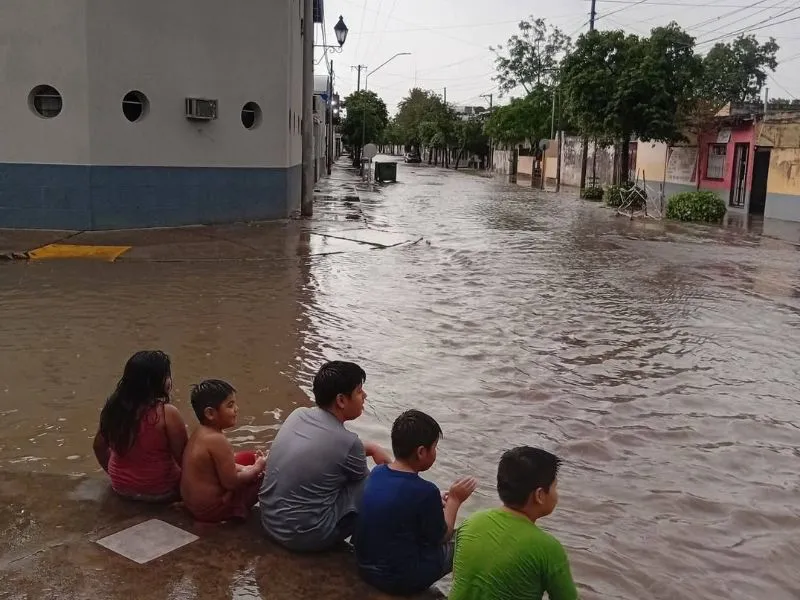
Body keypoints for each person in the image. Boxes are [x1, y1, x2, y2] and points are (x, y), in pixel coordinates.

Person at [259, 360, 392, 552]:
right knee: (378, 479)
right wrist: (395, 471)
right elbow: (367, 485)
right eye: (359, 391)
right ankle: (367, 546)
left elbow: (327, 448)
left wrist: (371, 448)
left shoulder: (299, 414)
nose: (365, 396)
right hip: (302, 537)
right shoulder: (348, 442)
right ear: (341, 400)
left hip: (269, 522)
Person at [355, 409, 478, 595]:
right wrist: (455, 500)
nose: (435, 452)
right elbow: (442, 536)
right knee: (466, 540)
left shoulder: (378, 472)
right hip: (397, 579)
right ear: (421, 452)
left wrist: (435, 501)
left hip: (364, 566)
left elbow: (398, 504)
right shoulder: (426, 491)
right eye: (434, 447)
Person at [449, 446, 578, 600]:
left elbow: (458, 578)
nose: (557, 494)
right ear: (539, 495)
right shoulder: (548, 548)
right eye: (554, 487)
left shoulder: (471, 522)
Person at [93, 350, 187, 502]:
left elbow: (98, 446)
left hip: (120, 487)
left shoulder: (114, 408)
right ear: (157, 382)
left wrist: (117, 475)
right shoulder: (167, 413)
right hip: (162, 491)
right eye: (167, 375)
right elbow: (184, 460)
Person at [180, 379, 266, 522]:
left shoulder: (201, 432)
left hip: (194, 505)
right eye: (230, 405)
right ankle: (236, 512)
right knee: (265, 476)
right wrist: (257, 469)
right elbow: (231, 483)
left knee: (248, 457)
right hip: (212, 510)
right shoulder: (217, 440)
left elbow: (221, 467)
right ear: (210, 413)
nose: (236, 409)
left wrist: (247, 468)